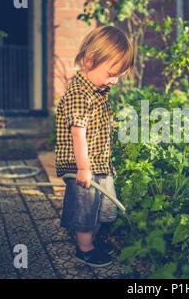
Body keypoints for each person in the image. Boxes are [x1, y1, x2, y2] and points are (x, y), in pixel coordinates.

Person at [55, 26, 134, 267]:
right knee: (86, 207)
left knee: (104, 207)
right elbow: (78, 134)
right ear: (89, 61)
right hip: (83, 166)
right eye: (111, 73)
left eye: (118, 75)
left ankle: (92, 239)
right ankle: (85, 248)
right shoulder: (80, 94)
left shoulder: (99, 91)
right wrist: (83, 168)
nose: (115, 80)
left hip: (99, 163)